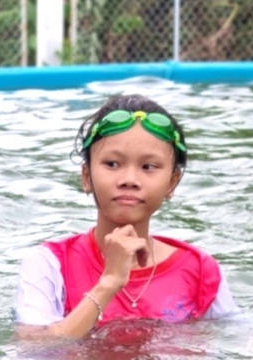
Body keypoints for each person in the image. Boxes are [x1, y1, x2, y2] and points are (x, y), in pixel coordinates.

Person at [14, 94, 239, 339]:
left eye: (148, 167)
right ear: (87, 176)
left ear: (172, 182)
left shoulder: (200, 270)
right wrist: (109, 282)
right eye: (112, 164)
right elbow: (33, 348)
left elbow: (243, 340)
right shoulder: (50, 263)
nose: (129, 180)